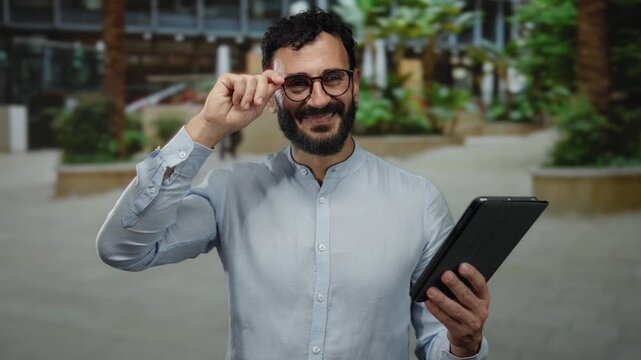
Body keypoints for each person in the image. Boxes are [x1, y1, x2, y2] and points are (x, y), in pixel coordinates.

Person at [97, 8, 490, 360]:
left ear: (355, 83)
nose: (319, 100)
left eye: (333, 78)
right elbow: (123, 249)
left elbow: (440, 342)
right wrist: (207, 127)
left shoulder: (418, 201)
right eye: (297, 83)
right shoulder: (230, 191)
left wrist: (464, 345)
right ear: (272, 97)